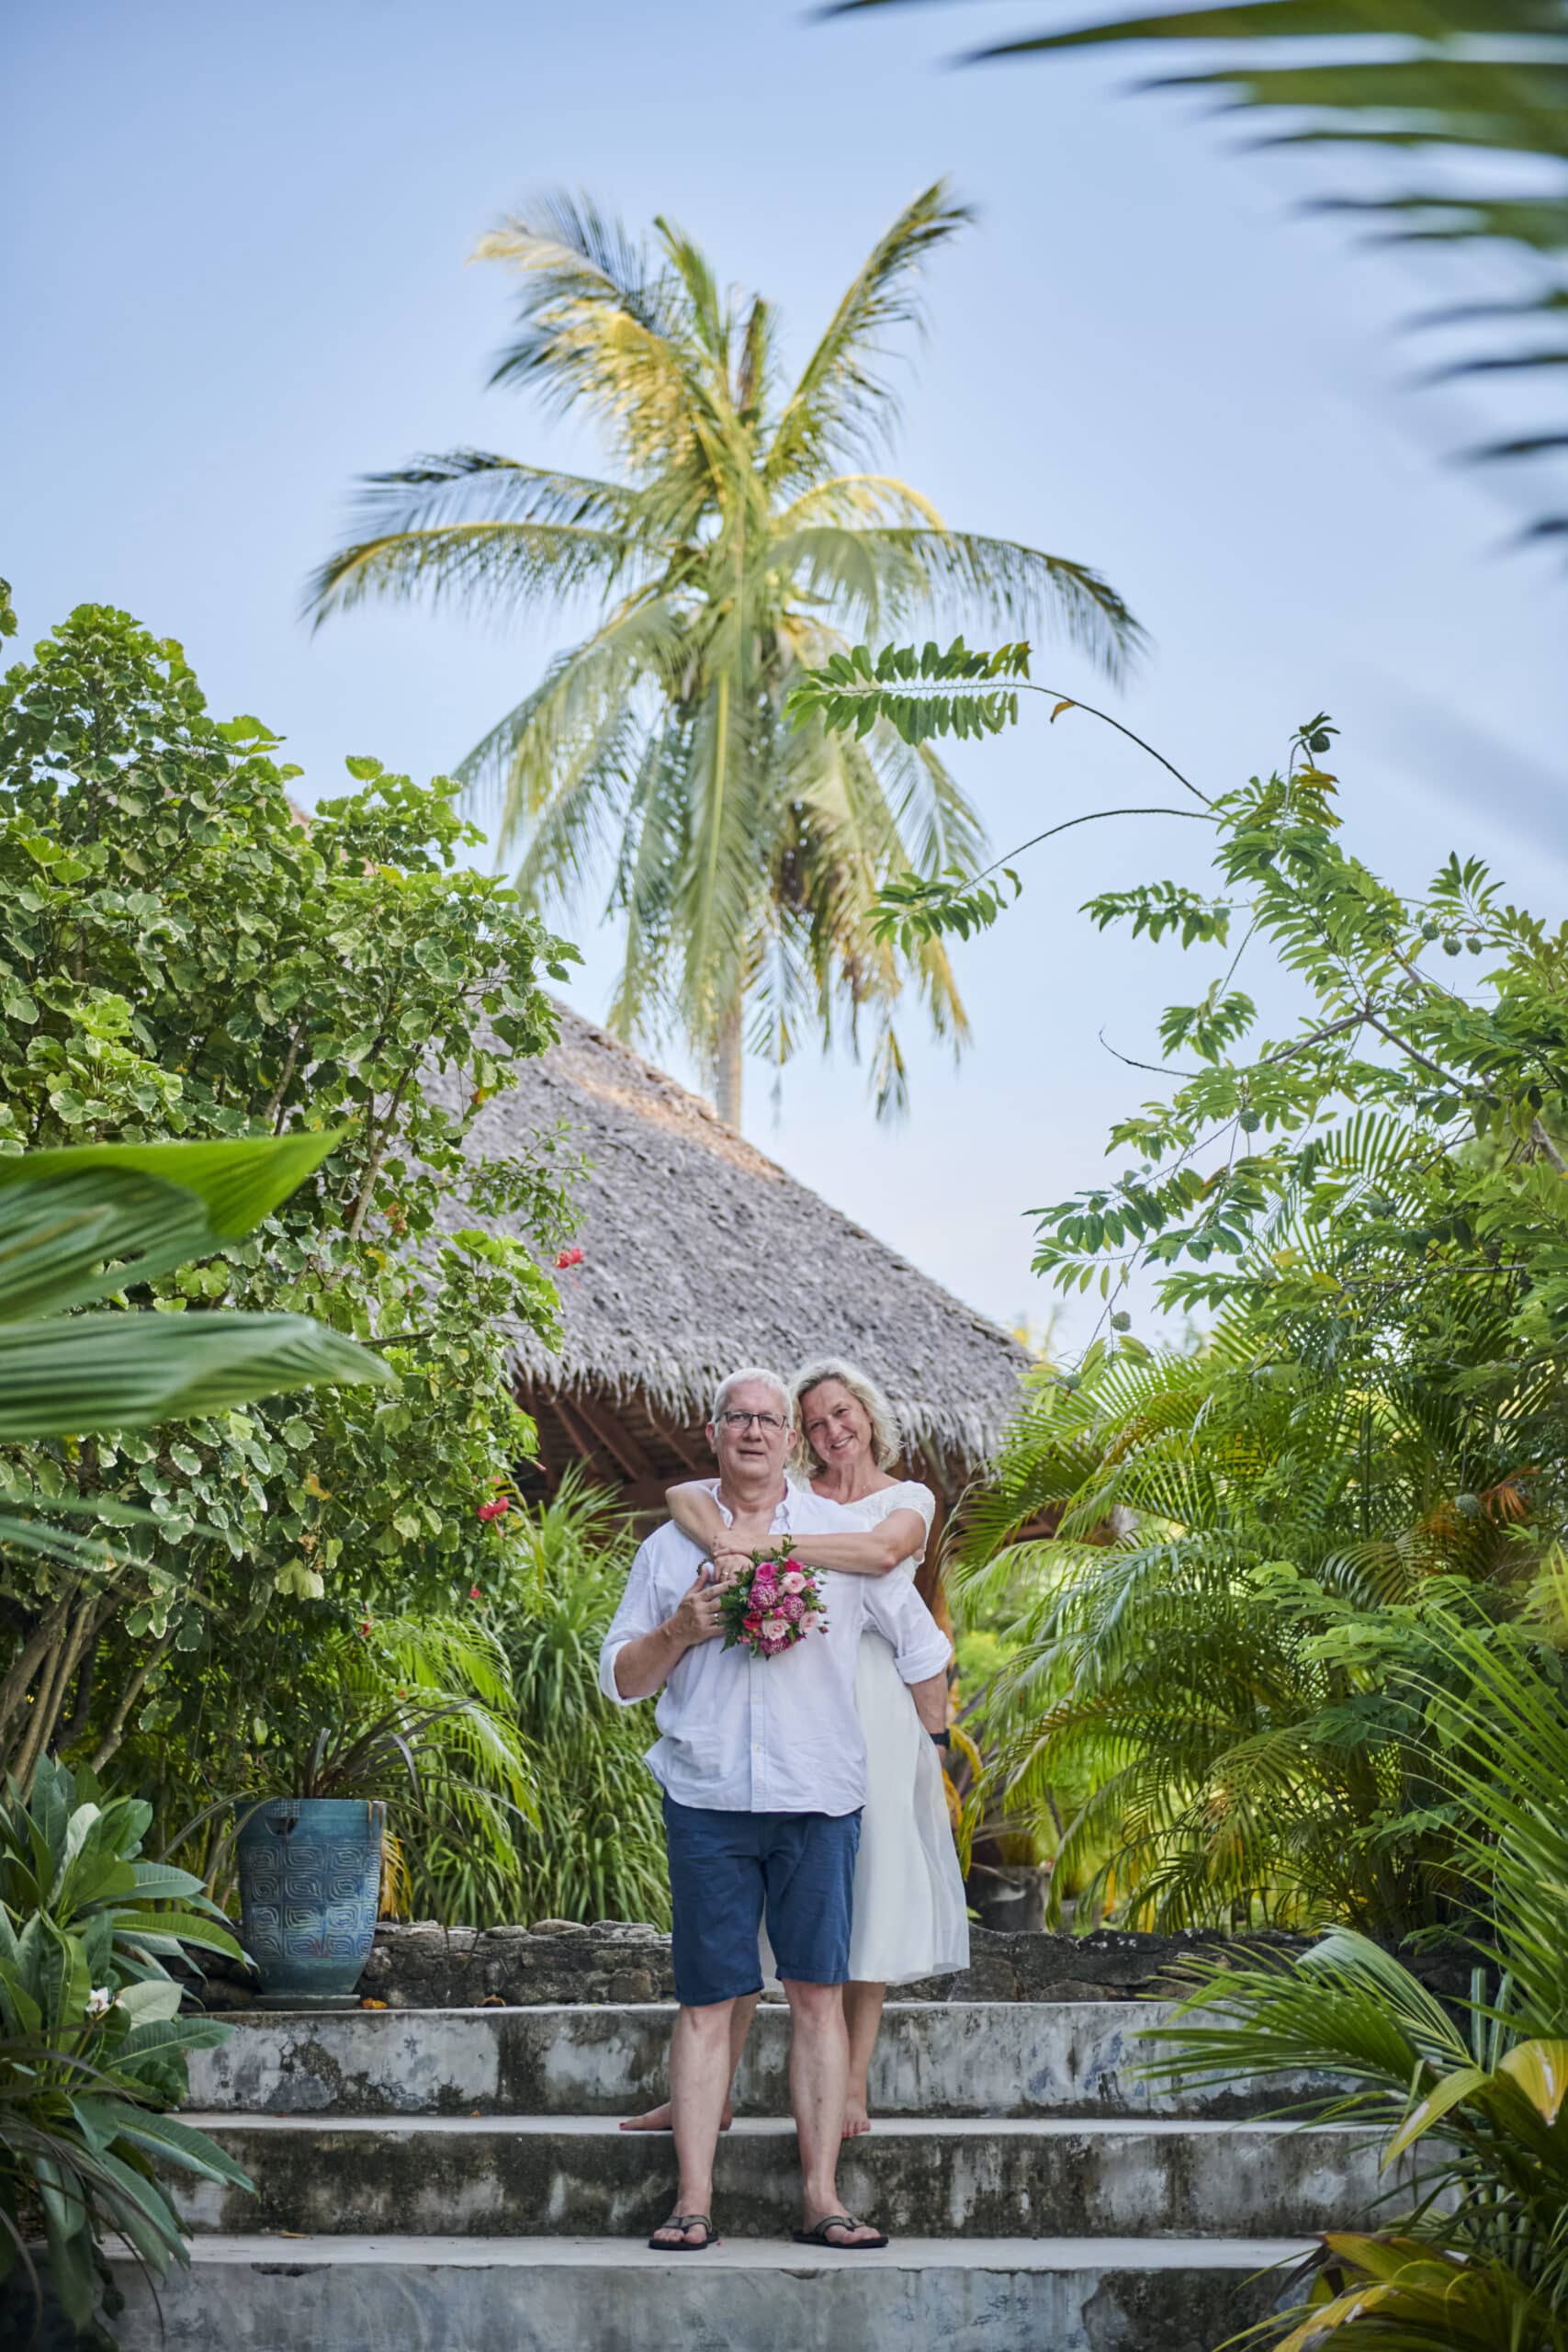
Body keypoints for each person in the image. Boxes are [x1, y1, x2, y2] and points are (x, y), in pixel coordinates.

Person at [598, 1367, 952, 2254]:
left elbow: (921, 1647)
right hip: (708, 1796)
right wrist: (678, 1631)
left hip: (819, 1797)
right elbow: (621, 1682)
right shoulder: (667, 1549)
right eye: (736, 1419)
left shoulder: (839, 1535)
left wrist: (929, 1754)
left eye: (767, 1419)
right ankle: (690, 2202)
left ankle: (822, 2199)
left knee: (816, 1998)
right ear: (712, 1434)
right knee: (708, 2001)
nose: (753, 1432)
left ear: (789, 1442)